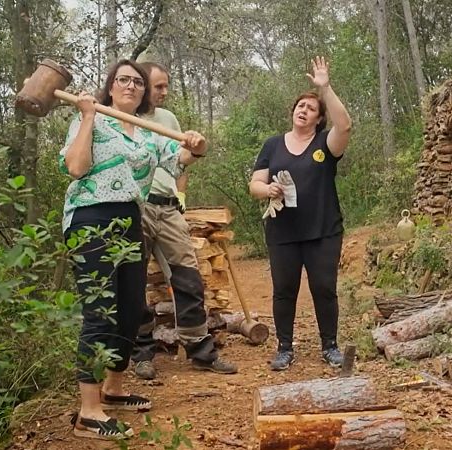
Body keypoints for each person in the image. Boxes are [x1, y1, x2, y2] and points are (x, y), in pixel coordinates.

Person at [60, 59, 207, 440]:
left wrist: (194, 147)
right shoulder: (89, 118)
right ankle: (88, 412)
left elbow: (176, 165)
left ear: (144, 93)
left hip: (129, 218)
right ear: (111, 86)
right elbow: (76, 168)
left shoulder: (148, 133)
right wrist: (89, 117)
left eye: (137, 82)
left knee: (128, 309)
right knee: (100, 312)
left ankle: (114, 388)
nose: (130, 86)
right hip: (90, 218)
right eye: (123, 80)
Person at [130, 61, 237, 380]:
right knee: (134, 281)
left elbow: (181, 163)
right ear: (143, 85)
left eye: (166, 85)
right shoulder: (125, 118)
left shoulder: (167, 119)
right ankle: (141, 354)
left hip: (168, 207)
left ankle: (200, 350)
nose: (165, 91)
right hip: (139, 205)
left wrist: (181, 198)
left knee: (188, 277)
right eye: (159, 86)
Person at [248, 56, 352, 371]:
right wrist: (266, 191)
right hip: (283, 233)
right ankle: (284, 348)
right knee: (284, 290)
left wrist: (325, 88)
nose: (303, 110)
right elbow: (255, 182)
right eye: (300, 106)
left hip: (323, 229)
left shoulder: (326, 143)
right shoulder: (272, 144)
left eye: (310, 108)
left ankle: (330, 346)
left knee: (323, 287)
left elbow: (344, 125)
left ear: (319, 118)